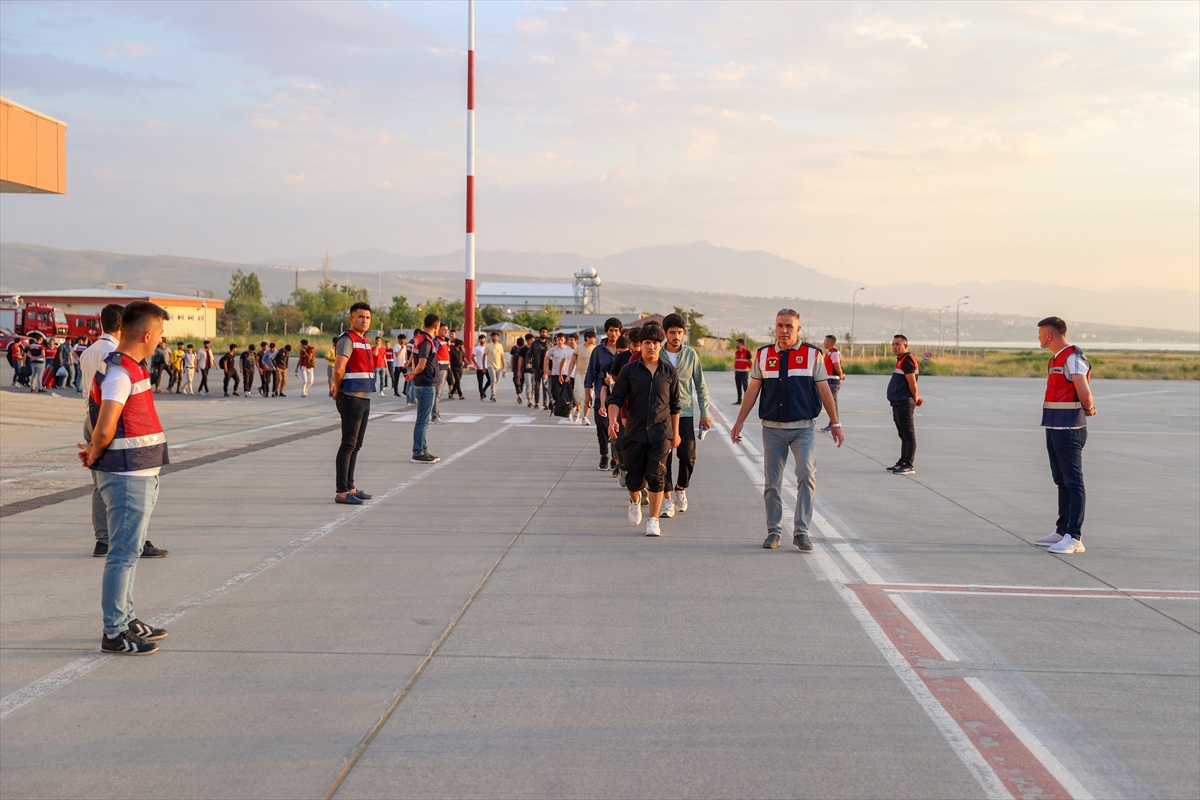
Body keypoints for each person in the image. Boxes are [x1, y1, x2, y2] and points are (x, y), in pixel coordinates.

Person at [78, 300, 173, 654]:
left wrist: (95, 450)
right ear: (147, 335)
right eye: (160, 334)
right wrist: (94, 451)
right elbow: (104, 428)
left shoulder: (132, 368)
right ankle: (114, 631)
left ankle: (127, 617)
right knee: (122, 554)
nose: (161, 340)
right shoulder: (120, 373)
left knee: (130, 553)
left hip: (138, 472)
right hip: (126, 476)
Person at [730, 309, 844, 551]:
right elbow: (752, 391)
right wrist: (739, 420)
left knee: (807, 476)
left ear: (798, 329)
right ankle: (774, 531)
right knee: (772, 482)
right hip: (772, 430)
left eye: (789, 326)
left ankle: (801, 531)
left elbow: (825, 391)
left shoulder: (813, 354)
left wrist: (835, 423)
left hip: (803, 429)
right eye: (780, 325)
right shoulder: (763, 355)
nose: (784, 330)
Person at [81, 303, 169, 560]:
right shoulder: (119, 357)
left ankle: (104, 539)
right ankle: (128, 537)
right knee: (120, 478)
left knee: (100, 484)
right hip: (112, 418)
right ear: (122, 326)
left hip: (91, 416)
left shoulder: (90, 352)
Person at [607, 323, 679, 537]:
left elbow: (675, 405)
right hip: (635, 431)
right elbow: (616, 398)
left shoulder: (669, 372)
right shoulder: (629, 371)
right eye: (647, 343)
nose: (651, 347)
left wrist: (676, 433)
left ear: (661, 345)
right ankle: (634, 500)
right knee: (634, 478)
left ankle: (654, 521)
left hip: (660, 433)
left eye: (656, 343)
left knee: (657, 476)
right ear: (641, 346)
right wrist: (613, 420)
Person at [1035, 316, 1096, 555]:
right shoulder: (1056, 359)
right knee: (1061, 481)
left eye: (1040, 334)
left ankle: (1074, 536)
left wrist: (1088, 406)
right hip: (1054, 427)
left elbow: (1084, 392)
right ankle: (1062, 531)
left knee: (1073, 482)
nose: (1038, 338)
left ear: (1049, 335)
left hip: (1070, 430)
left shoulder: (1072, 357)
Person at [659, 314, 712, 519]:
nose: (676, 336)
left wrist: (705, 412)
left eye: (680, 333)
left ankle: (681, 487)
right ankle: (667, 499)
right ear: (665, 334)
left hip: (686, 413)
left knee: (687, 456)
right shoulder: (658, 355)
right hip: (662, 415)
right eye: (672, 332)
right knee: (664, 459)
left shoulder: (691, 355)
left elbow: (700, 385)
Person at [330, 303, 377, 505]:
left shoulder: (364, 340)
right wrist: (337, 387)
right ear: (351, 319)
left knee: (356, 445)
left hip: (364, 396)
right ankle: (342, 491)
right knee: (348, 443)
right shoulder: (347, 339)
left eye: (367, 317)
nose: (364, 320)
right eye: (360, 317)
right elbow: (339, 369)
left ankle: (350, 486)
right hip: (351, 396)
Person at [407, 314, 441, 464]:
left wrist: (414, 374)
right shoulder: (426, 341)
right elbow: (421, 364)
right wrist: (413, 373)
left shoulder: (419, 339)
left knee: (423, 419)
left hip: (422, 383)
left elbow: (415, 362)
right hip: (426, 385)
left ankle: (422, 448)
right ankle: (418, 452)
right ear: (436, 326)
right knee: (423, 420)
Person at [886, 334, 922, 475]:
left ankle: (908, 464)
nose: (894, 347)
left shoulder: (907, 361)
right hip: (897, 402)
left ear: (905, 346)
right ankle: (902, 461)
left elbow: (912, 383)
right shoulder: (901, 360)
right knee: (902, 434)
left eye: (897, 344)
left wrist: (915, 397)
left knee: (908, 435)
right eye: (893, 344)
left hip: (904, 402)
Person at [569, 330, 595, 423]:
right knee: (578, 395)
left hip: (590, 376)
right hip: (579, 374)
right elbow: (572, 362)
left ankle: (585, 417)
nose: (594, 339)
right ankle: (578, 408)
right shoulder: (578, 348)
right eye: (593, 337)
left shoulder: (595, 349)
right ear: (587, 338)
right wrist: (568, 375)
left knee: (589, 396)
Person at [820, 335, 846, 432]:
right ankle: (832, 423)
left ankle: (834, 424)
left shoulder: (834, 353)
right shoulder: (829, 353)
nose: (824, 342)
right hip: (828, 380)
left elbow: (837, 367)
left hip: (833, 381)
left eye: (825, 341)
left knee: (832, 403)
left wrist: (841, 375)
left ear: (830, 342)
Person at [545, 332, 571, 414]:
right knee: (555, 392)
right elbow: (546, 359)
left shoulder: (568, 349)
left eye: (561, 340)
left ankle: (564, 408)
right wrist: (546, 369)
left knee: (565, 392)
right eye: (558, 339)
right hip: (555, 373)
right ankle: (557, 406)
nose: (560, 341)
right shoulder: (553, 350)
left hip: (565, 373)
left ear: (564, 340)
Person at [432, 323, 451, 422]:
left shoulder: (443, 341)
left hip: (444, 367)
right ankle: (435, 415)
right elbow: (432, 354)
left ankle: (435, 413)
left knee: (438, 393)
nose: (446, 331)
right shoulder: (437, 341)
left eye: (447, 330)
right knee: (437, 393)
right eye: (444, 329)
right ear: (438, 330)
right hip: (439, 368)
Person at [529, 327, 549, 409]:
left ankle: (545, 403)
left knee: (546, 387)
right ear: (540, 333)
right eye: (542, 332)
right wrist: (528, 362)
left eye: (545, 332)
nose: (544, 333)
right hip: (537, 368)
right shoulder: (535, 344)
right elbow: (529, 354)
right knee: (536, 386)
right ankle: (537, 402)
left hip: (545, 369)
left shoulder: (549, 344)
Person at [484, 331, 505, 402]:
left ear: (498, 337)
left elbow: (502, 357)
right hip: (490, 365)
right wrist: (484, 366)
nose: (494, 337)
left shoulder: (500, 346)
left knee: (497, 380)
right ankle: (493, 395)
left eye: (496, 336)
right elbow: (484, 356)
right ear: (491, 337)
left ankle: (493, 393)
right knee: (493, 379)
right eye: (493, 336)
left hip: (498, 366)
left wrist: (504, 367)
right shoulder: (488, 346)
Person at [733, 338, 751, 404]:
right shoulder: (737, 352)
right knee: (738, 386)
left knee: (745, 387)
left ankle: (747, 401)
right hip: (737, 372)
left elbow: (751, 361)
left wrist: (748, 368)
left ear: (740, 344)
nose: (736, 345)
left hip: (744, 372)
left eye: (737, 343)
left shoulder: (747, 352)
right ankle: (739, 400)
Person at [510, 335, 527, 403]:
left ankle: (520, 395)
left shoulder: (525, 348)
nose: (521, 347)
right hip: (516, 367)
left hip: (524, 367)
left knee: (522, 382)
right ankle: (519, 395)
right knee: (517, 381)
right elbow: (512, 358)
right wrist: (512, 366)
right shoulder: (514, 348)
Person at [474, 334, 490, 400]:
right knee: (480, 382)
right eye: (481, 339)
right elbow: (472, 357)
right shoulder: (477, 348)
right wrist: (476, 365)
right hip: (479, 367)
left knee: (490, 380)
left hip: (487, 366)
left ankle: (483, 390)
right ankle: (482, 395)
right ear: (479, 340)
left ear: (485, 339)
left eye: (483, 338)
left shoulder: (487, 347)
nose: (482, 340)